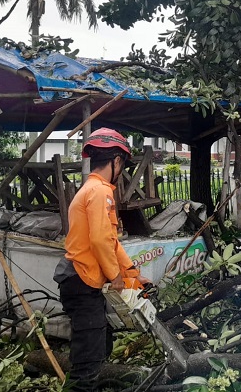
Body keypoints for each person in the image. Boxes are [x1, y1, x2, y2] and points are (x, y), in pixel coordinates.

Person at [53, 128, 149, 391]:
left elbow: (110, 241)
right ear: (117, 161)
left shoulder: (92, 189)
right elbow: (98, 240)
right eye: (123, 164)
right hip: (81, 281)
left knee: (99, 343)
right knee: (88, 360)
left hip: (81, 280)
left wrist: (132, 273)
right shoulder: (100, 192)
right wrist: (116, 276)